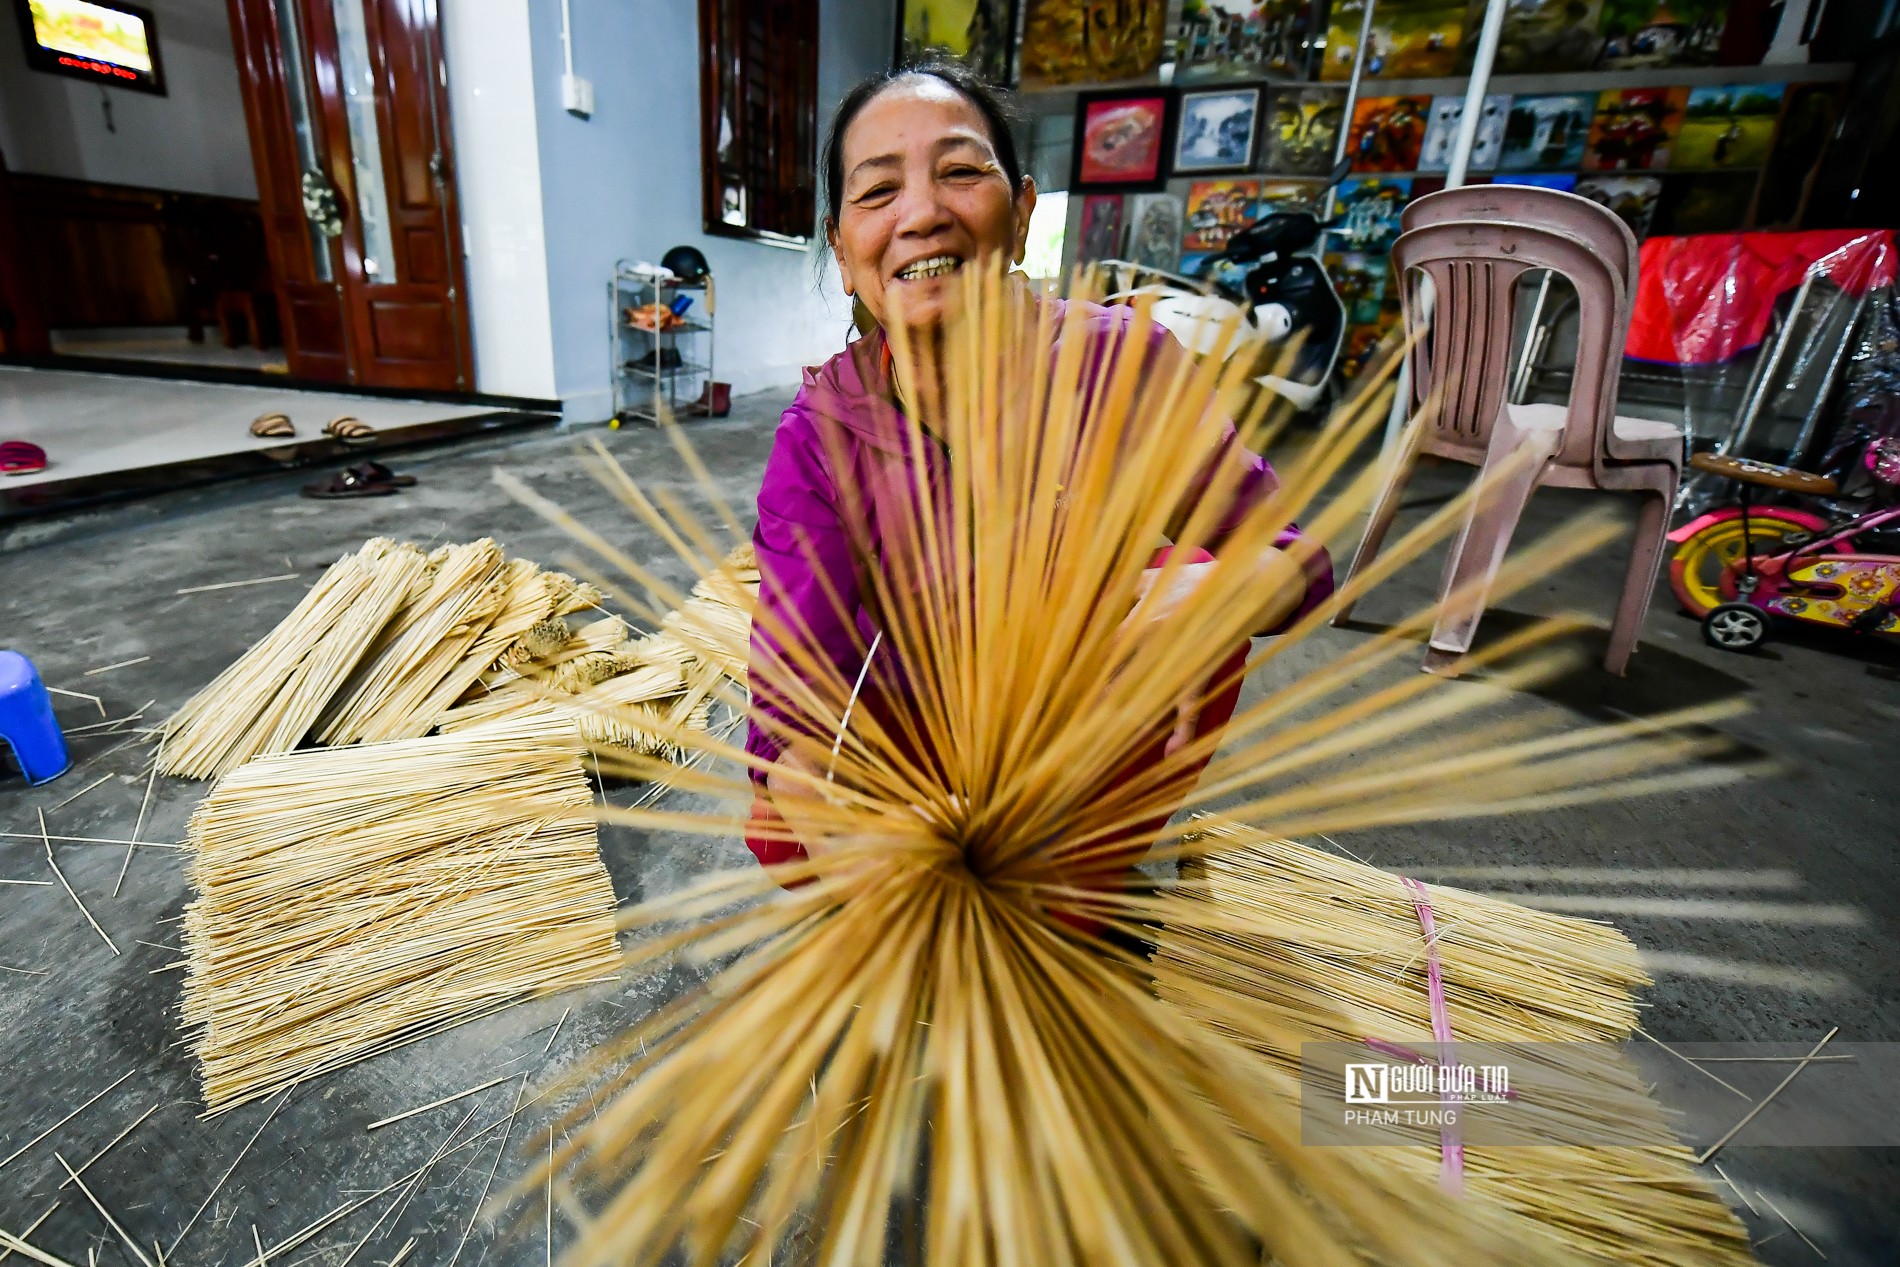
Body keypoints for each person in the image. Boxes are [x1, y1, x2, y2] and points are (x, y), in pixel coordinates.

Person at [743, 63, 1333, 895]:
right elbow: (794, 693)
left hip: (1072, 740)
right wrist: (846, 819)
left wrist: (1216, 599)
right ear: (843, 254)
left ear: (1020, 216)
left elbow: (1295, 563)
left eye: (959, 171)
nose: (921, 214)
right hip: (913, 750)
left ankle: (1071, 869)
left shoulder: (1118, 366)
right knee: (781, 821)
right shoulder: (820, 431)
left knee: (1194, 588)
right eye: (878, 193)